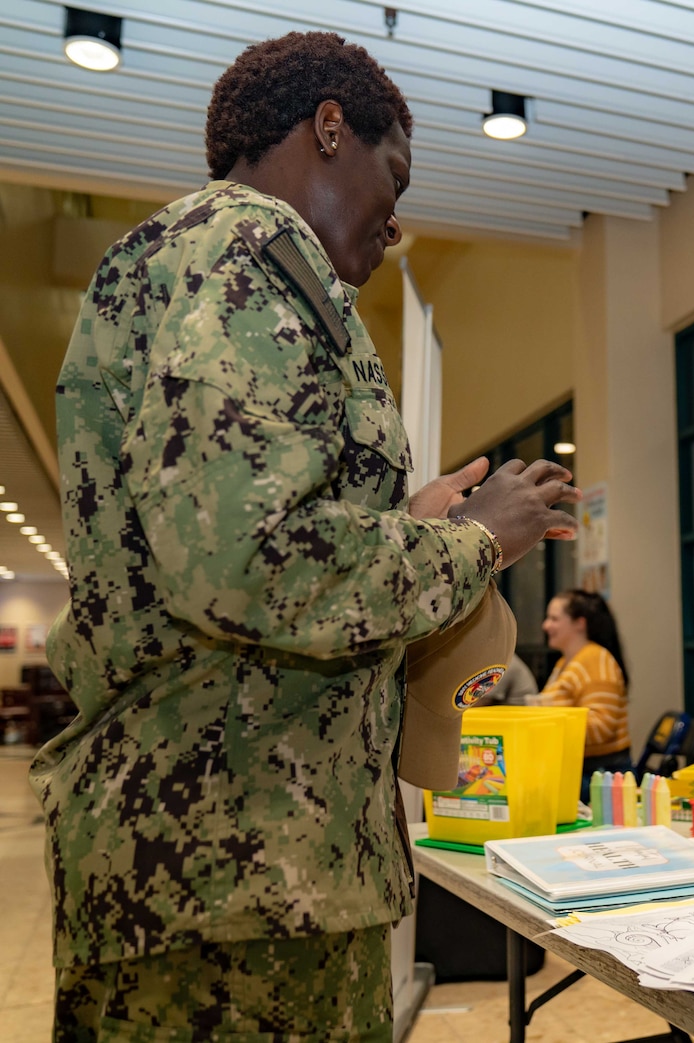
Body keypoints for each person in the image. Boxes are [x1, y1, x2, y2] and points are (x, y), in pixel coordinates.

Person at [32, 32, 579, 1041]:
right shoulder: (246, 259)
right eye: (394, 172)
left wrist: (397, 527)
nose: (398, 218)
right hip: (236, 879)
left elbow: (222, 534)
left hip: (226, 870)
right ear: (330, 127)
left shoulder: (191, 263)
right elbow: (246, 563)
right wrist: (474, 545)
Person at [532, 590, 632, 798]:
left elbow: (602, 726)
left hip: (597, 776)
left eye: (554, 619)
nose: (546, 626)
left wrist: (548, 719)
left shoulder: (595, 660)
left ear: (579, 623)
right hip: (579, 770)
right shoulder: (566, 662)